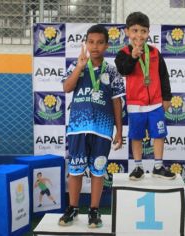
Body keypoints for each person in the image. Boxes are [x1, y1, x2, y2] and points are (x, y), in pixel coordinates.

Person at [59, 24, 125, 228]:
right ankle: (73, 208)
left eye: (99, 42)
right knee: (76, 170)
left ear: (106, 45)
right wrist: (79, 67)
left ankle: (94, 211)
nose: (95, 46)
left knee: (98, 171)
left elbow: (116, 102)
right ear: (86, 43)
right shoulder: (76, 65)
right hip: (78, 128)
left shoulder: (112, 71)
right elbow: (66, 87)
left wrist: (119, 131)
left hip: (103, 130)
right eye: (91, 42)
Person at [115, 11, 175, 181]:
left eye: (143, 31)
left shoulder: (155, 52)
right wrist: (133, 57)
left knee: (159, 134)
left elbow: (163, 75)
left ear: (148, 33)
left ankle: (158, 166)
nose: (139, 34)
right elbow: (123, 70)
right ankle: (138, 167)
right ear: (127, 32)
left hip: (156, 103)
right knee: (136, 136)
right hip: (135, 105)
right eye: (134, 30)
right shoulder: (123, 53)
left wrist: (167, 98)